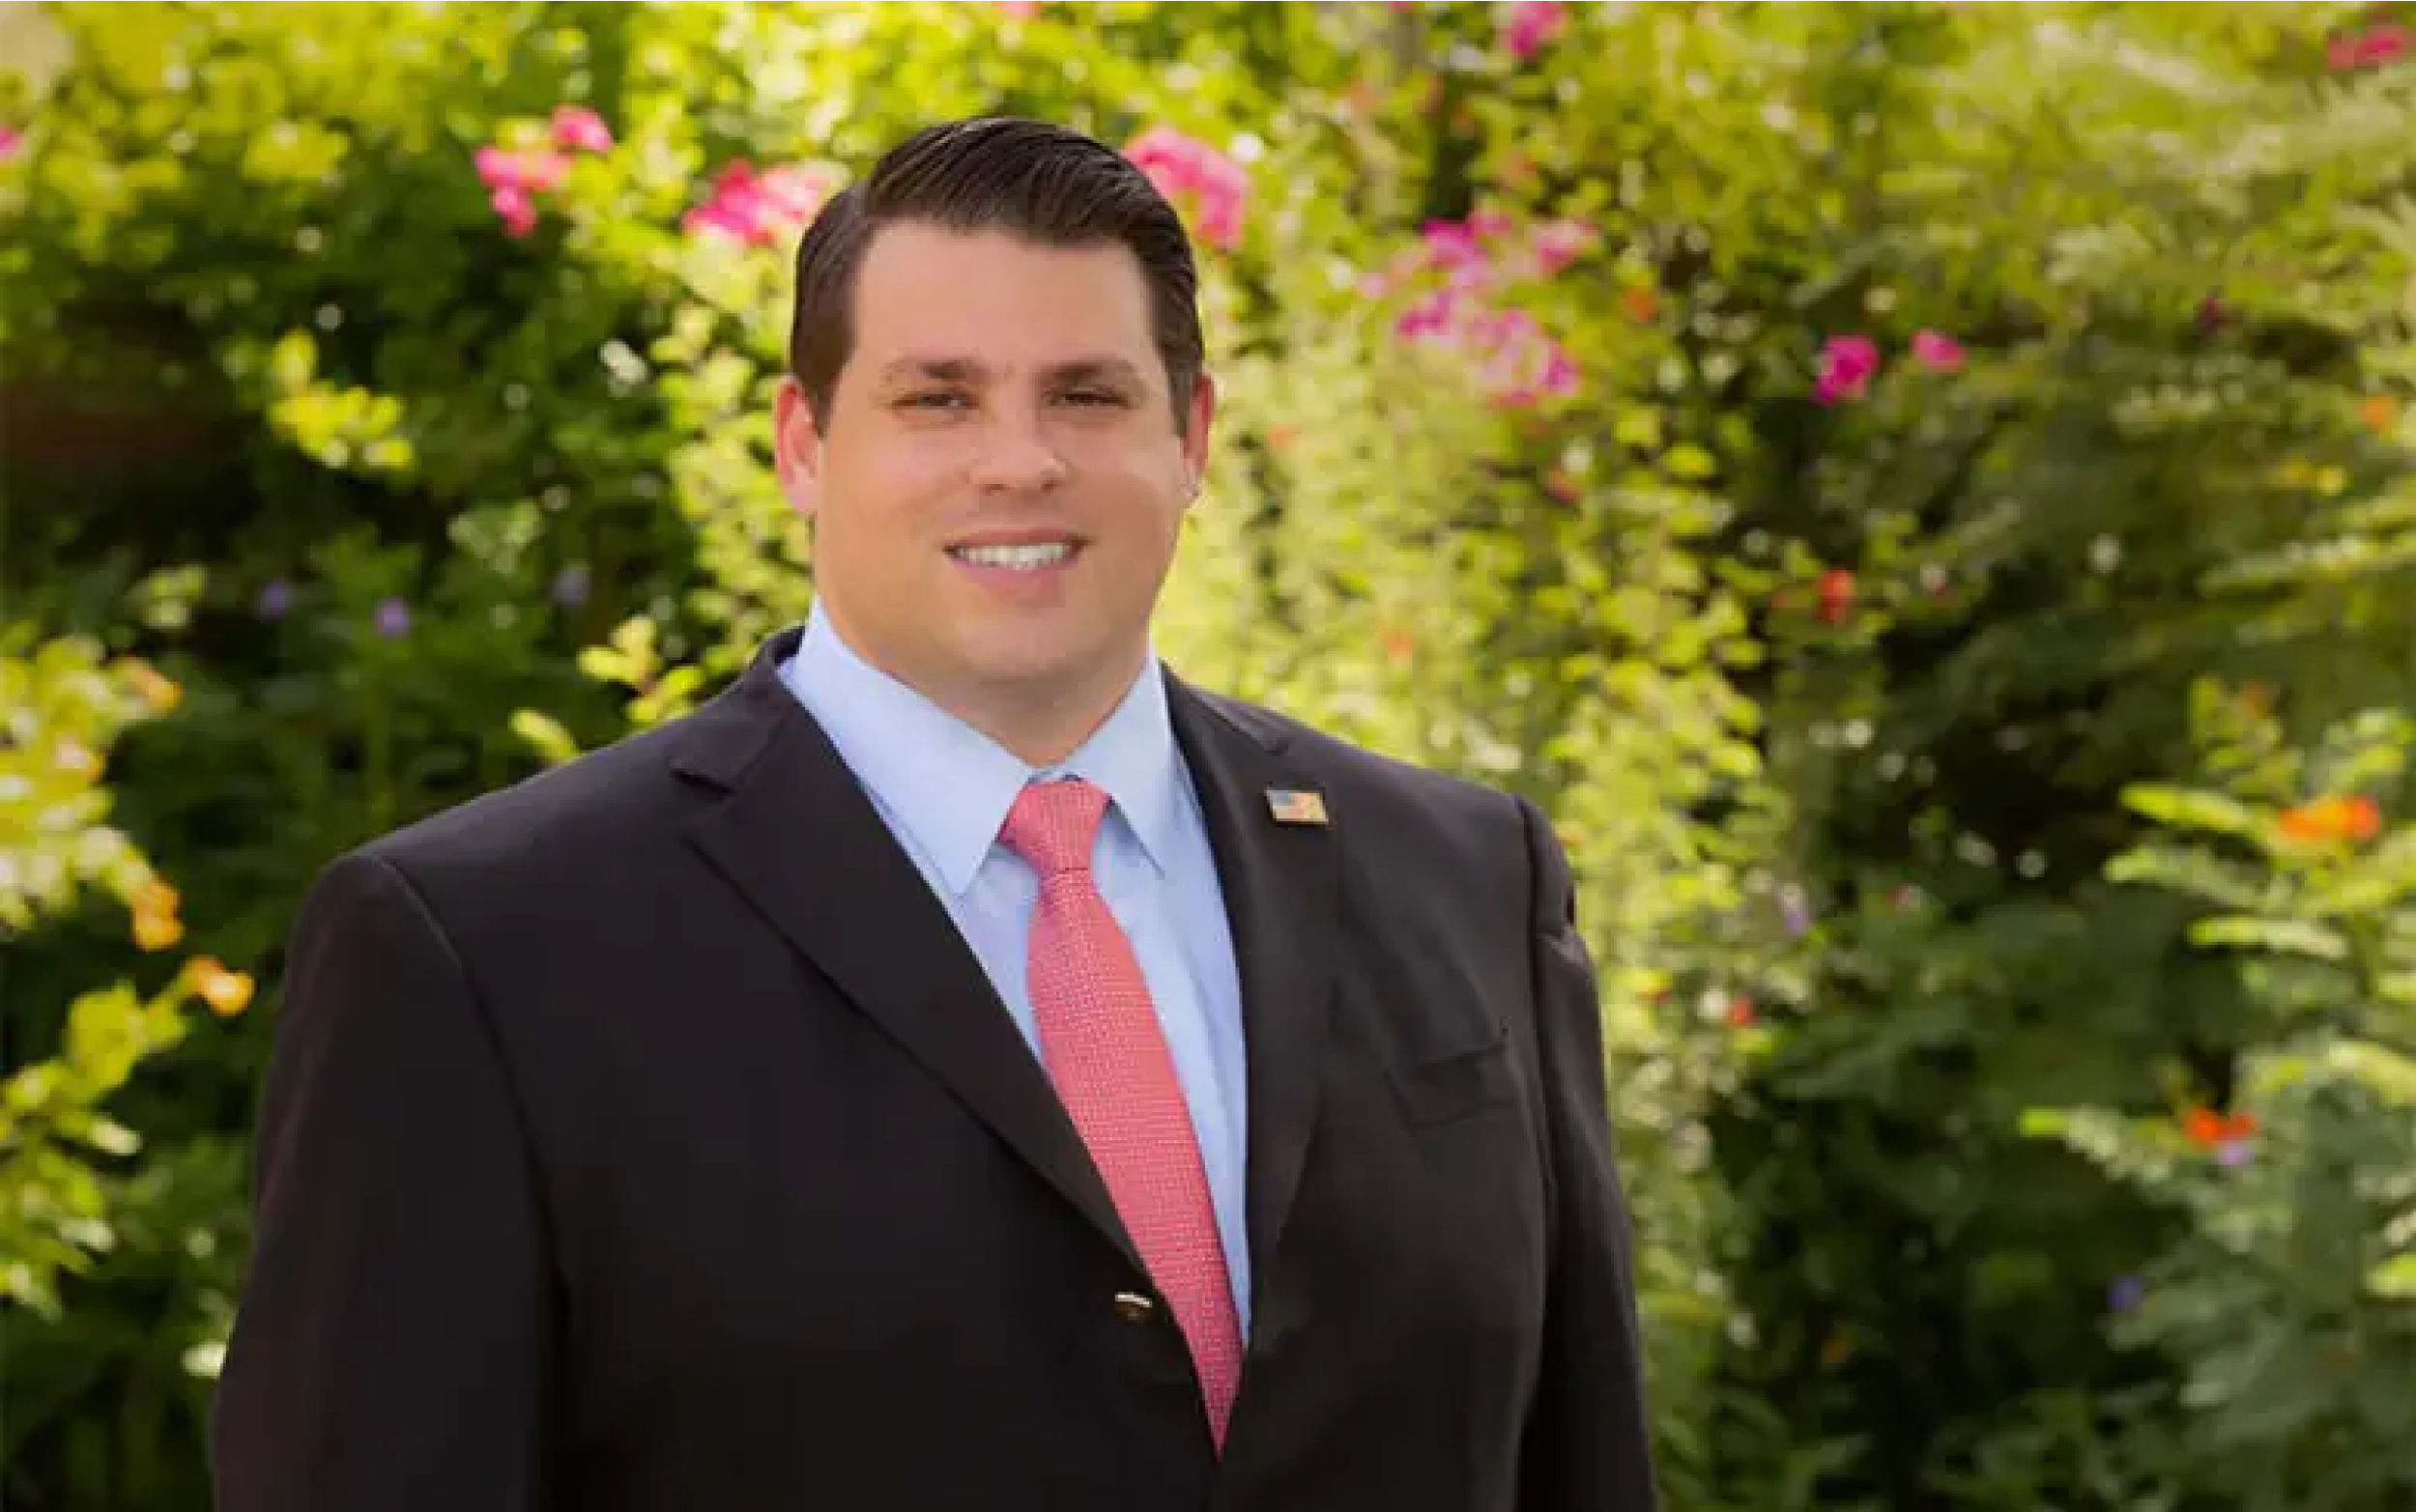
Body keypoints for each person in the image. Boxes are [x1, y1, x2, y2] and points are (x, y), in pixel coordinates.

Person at [210, 116, 1659, 1512]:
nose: (1017, 460)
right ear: (802, 442)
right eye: (938, 397)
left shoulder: (1468, 879)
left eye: (1086, 394)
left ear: (1194, 435)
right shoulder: (481, 953)